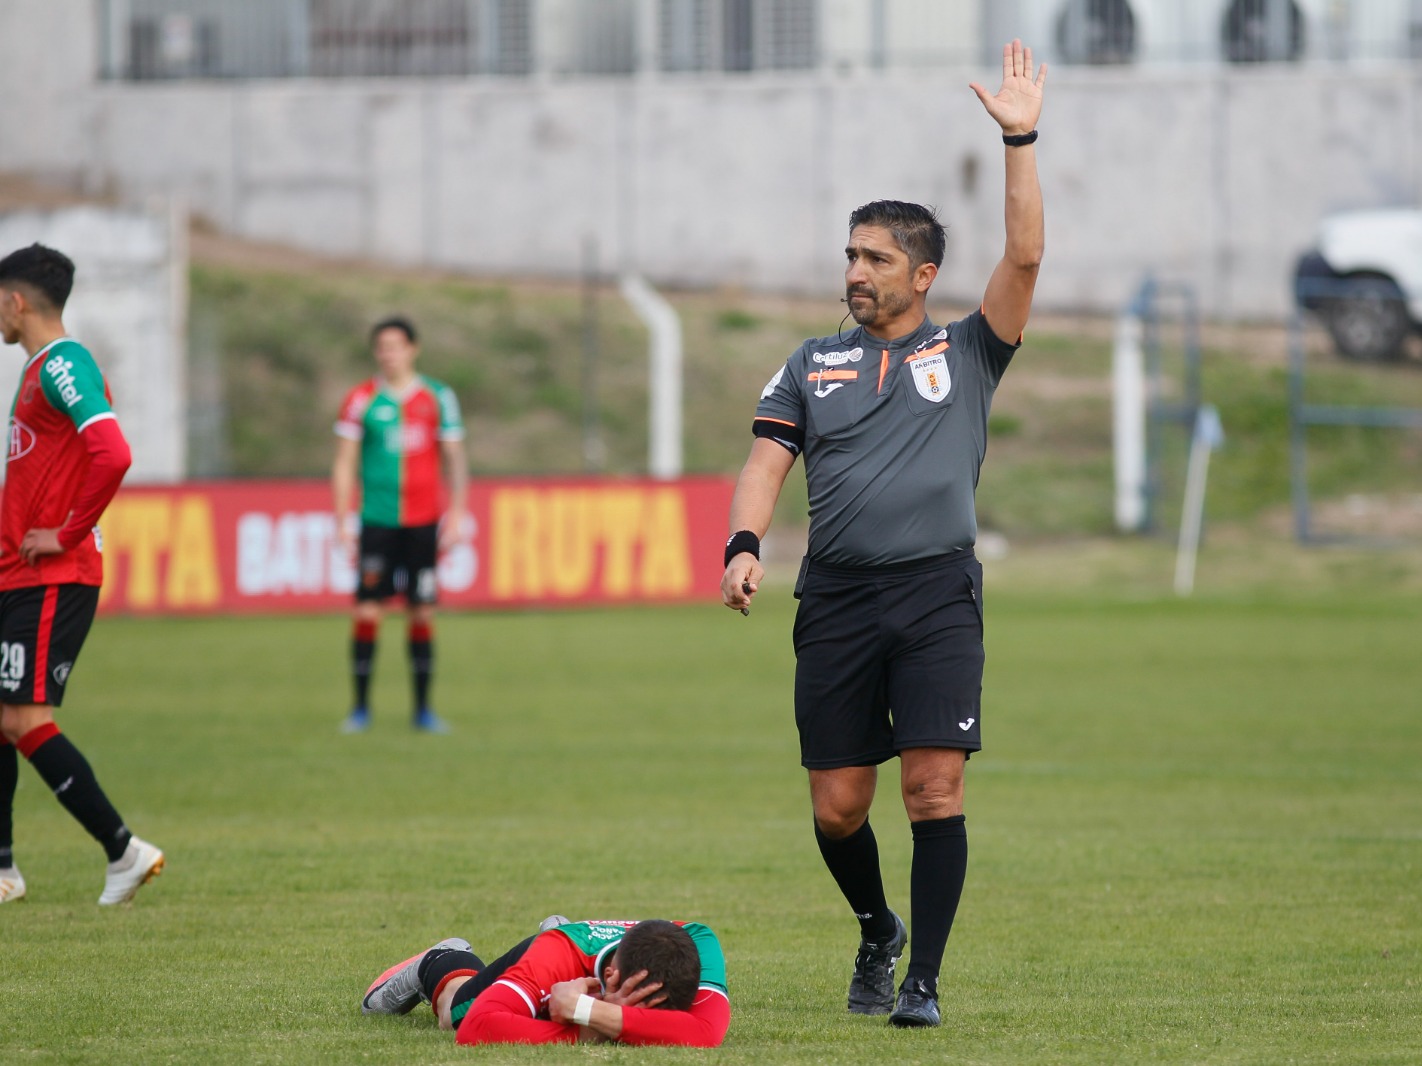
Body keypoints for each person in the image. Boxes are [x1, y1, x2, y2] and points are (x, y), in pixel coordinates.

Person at [719, 41, 1046, 1027]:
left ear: (922, 272)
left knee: (934, 789)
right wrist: (743, 543)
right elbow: (767, 460)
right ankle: (875, 925)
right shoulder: (810, 362)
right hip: (839, 597)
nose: (854, 271)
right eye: (849, 255)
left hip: (936, 592)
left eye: (873, 258)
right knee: (838, 807)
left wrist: (1019, 138)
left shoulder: (970, 348)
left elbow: (1025, 255)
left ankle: (924, 983)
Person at [0, 243, 164, 905]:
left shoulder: (64, 363)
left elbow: (112, 451)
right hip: (19, 573)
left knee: (25, 720)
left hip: (53, 574)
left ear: (16, 300)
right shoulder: (38, 369)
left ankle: (123, 849)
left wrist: (64, 532)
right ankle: (4, 869)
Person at [332, 317, 468, 734]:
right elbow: (345, 461)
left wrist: (458, 512)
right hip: (377, 519)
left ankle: (423, 710)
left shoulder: (438, 397)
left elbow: (455, 459)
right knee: (368, 609)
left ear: (413, 348)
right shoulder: (360, 400)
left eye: (396, 346)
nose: (388, 354)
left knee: (422, 610)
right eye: (382, 347)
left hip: (423, 521)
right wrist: (342, 518)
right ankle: (360, 709)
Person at [360, 916, 729, 1047]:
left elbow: (706, 1031)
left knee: (545, 1016)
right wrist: (592, 1024)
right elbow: (476, 1028)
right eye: (642, 1007)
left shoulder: (697, 944)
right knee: (452, 1015)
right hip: (555, 951)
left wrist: (589, 1014)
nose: (647, 1022)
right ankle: (438, 960)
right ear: (612, 977)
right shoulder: (556, 956)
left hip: (575, 975)